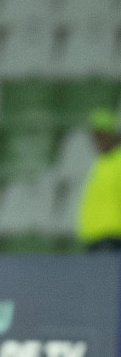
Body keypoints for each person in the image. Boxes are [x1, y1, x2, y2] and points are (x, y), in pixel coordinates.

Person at [76, 108, 121, 251]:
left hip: (112, 237)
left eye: (101, 134)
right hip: (95, 238)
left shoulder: (117, 161)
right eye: (95, 135)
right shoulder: (100, 163)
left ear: (113, 134)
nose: (96, 140)